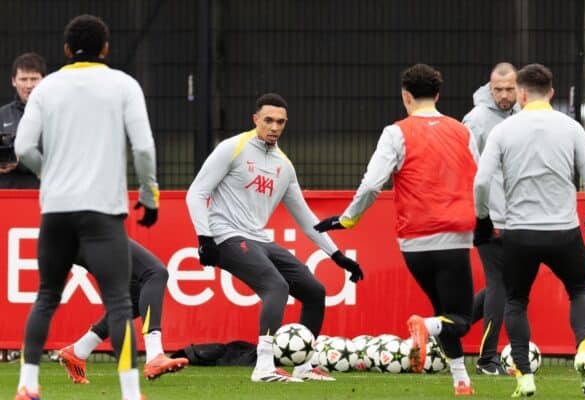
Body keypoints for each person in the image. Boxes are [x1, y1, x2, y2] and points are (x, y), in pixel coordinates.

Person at [14, 14, 159, 400]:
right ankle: (130, 392)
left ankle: (27, 384)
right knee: (118, 301)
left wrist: (52, 173)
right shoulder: (123, 84)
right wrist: (150, 194)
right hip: (102, 211)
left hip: (57, 209)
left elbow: (24, 148)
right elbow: (143, 147)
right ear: (106, 48)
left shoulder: (48, 88)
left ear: (65, 50)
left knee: (46, 296)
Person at [315, 63, 478, 396]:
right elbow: (482, 180)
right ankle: (427, 328)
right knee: (458, 317)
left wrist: (348, 219)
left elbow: (372, 184)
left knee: (444, 314)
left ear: (406, 97)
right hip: (454, 239)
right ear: (438, 94)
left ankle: (461, 381)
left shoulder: (395, 132)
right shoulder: (462, 131)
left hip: (413, 244)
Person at [186, 92, 364, 383]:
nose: (274, 127)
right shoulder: (232, 148)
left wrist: (338, 256)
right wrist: (205, 238)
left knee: (314, 291)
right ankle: (264, 367)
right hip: (225, 234)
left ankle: (304, 367)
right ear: (255, 119)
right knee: (275, 286)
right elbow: (197, 193)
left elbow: (307, 221)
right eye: (268, 120)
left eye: (280, 122)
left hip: (259, 238)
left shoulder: (284, 165)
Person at [473, 63, 585, 397]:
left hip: (518, 233)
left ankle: (524, 377)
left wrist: (483, 219)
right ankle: (583, 352)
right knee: (579, 290)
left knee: (515, 301)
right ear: (552, 93)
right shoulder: (572, 128)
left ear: (522, 93)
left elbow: (482, 181)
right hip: (564, 231)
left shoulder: (504, 130)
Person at [57, 239, 189, 384]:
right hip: (90, 233)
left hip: (75, 235)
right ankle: (154, 355)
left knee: (136, 300)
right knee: (155, 273)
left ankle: (78, 351)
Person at [462, 62, 519, 375]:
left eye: (510, 89)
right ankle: (488, 359)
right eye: (498, 89)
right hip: (489, 217)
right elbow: (464, 165)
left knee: (507, 283)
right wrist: (479, 212)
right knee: (499, 283)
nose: (504, 95)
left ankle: (446, 329)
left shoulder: (523, 114)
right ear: (489, 87)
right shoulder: (477, 120)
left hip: (520, 218)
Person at [0, 52, 46, 188]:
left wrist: (17, 162)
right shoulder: (2, 115)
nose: (29, 85)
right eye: (23, 79)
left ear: (44, 80)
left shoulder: (55, 115)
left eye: (34, 79)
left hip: (44, 196)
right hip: (8, 197)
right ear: (13, 81)